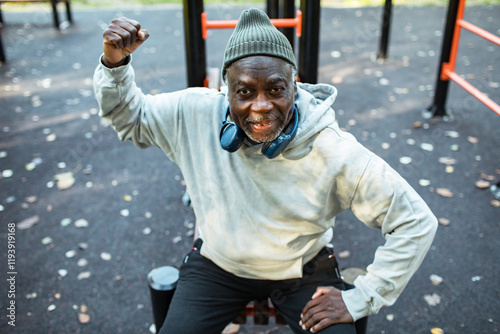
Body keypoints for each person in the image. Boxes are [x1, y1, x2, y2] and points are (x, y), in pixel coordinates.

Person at [94, 8, 438, 334]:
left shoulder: (334, 149)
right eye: (244, 91)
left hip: (303, 270)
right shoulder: (194, 113)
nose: (260, 107)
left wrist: (361, 297)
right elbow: (129, 118)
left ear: (295, 84)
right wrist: (115, 62)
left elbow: (415, 221)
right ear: (225, 91)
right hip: (218, 265)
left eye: (275, 89)